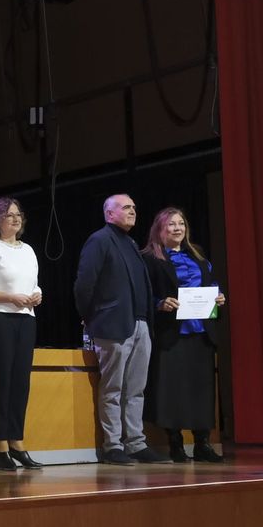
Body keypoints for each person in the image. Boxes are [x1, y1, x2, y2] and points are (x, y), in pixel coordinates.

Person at [74, 194, 169, 466]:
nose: (133, 211)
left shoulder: (129, 243)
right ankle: (113, 445)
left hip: (139, 324)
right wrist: (91, 317)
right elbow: (84, 284)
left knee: (136, 389)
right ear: (109, 213)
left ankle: (136, 443)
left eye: (134, 207)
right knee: (113, 388)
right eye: (126, 207)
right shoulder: (100, 240)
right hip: (113, 326)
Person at [141, 207, 228, 462]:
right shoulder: (150, 259)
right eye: (171, 225)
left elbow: (210, 284)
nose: (177, 228)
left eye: (181, 224)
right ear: (160, 229)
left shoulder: (198, 254)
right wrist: (160, 304)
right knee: (173, 390)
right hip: (172, 333)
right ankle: (175, 444)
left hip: (201, 332)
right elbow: (144, 295)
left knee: (201, 390)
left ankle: (202, 443)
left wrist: (218, 297)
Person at [0, 198, 45, 471]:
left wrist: (37, 294)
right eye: (8, 215)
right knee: (1, 381)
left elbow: (33, 283)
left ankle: (17, 441)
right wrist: (9, 297)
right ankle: (1, 445)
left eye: (18, 215)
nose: (15, 219)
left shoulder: (28, 249)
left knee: (20, 382)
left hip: (25, 319)